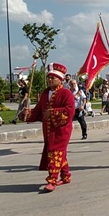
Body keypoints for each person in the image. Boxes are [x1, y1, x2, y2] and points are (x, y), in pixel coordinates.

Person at [19, 62, 75, 192]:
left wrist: (54, 112)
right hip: (48, 130)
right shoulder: (45, 94)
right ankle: (66, 175)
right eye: (48, 77)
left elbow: (70, 111)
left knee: (55, 152)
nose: (49, 80)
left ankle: (52, 179)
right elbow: (39, 111)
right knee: (60, 153)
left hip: (61, 129)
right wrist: (28, 114)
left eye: (52, 77)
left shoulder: (66, 93)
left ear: (60, 79)